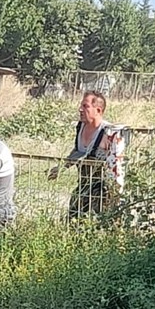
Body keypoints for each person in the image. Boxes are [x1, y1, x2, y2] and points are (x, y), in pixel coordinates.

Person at [46, 90, 127, 218]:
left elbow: (117, 166)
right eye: (81, 105)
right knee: (72, 217)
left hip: (103, 191)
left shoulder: (109, 134)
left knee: (98, 224)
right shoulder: (81, 127)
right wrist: (61, 168)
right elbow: (78, 152)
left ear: (98, 110)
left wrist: (116, 194)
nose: (80, 110)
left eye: (85, 106)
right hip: (83, 186)